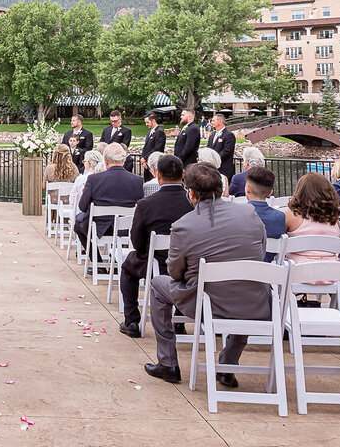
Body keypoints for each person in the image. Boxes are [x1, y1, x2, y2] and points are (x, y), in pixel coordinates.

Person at [143, 163, 268, 386]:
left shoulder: (184, 225)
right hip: (253, 302)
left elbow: (174, 272)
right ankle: (228, 364)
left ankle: (168, 362)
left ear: (190, 193)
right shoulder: (249, 212)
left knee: (157, 284)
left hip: (207, 303)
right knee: (245, 285)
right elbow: (260, 253)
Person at [119, 154, 191, 337]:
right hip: (188, 265)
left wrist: (147, 251)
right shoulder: (193, 203)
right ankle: (179, 321)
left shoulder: (145, 204)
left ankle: (132, 320)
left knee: (128, 267)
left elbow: (136, 241)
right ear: (183, 174)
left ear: (158, 175)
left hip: (155, 263)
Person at [75, 143, 143, 263]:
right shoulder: (137, 181)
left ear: (105, 161)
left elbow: (82, 206)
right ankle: (117, 262)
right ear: (123, 160)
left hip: (100, 228)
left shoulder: (94, 179)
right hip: (127, 228)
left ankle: (98, 263)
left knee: (78, 223)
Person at [283, 172, 340, 265]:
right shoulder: (335, 220)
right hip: (331, 272)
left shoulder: (289, 216)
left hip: (297, 273)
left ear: (300, 192)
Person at [244, 166, 286, 261]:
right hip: (269, 269)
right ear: (270, 193)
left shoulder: (238, 214)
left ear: (248, 189)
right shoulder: (280, 217)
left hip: (242, 270)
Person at [44, 145, 78, 232]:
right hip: (68, 200)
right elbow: (76, 184)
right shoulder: (74, 168)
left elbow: (44, 186)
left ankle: (50, 224)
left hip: (53, 200)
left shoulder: (49, 168)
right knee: (63, 198)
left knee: (53, 196)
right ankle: (65, 225)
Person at [70, 149, 104, 218]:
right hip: (102, 214)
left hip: (84, 214)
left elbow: (72, 199)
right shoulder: (104, 178)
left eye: (84, 161)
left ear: (88, 164)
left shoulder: (81, 179)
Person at [205, 114, 236, 180]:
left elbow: (227, 151)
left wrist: (214, 159)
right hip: (212, 169)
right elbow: (209, 149)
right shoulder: (212, 135)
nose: (211, 122)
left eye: (213, 120)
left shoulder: (229, 135)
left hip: (224, 168)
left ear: (220, 122)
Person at [139, 113, 166, 180]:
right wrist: (143, 159)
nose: (146, 124)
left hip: (154, 163)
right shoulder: (149, 132)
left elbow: (158, 148)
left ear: (153, 121)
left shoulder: (160, 132)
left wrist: (145, 158)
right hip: (147, 163)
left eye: (147, 122)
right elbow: (146, 147)